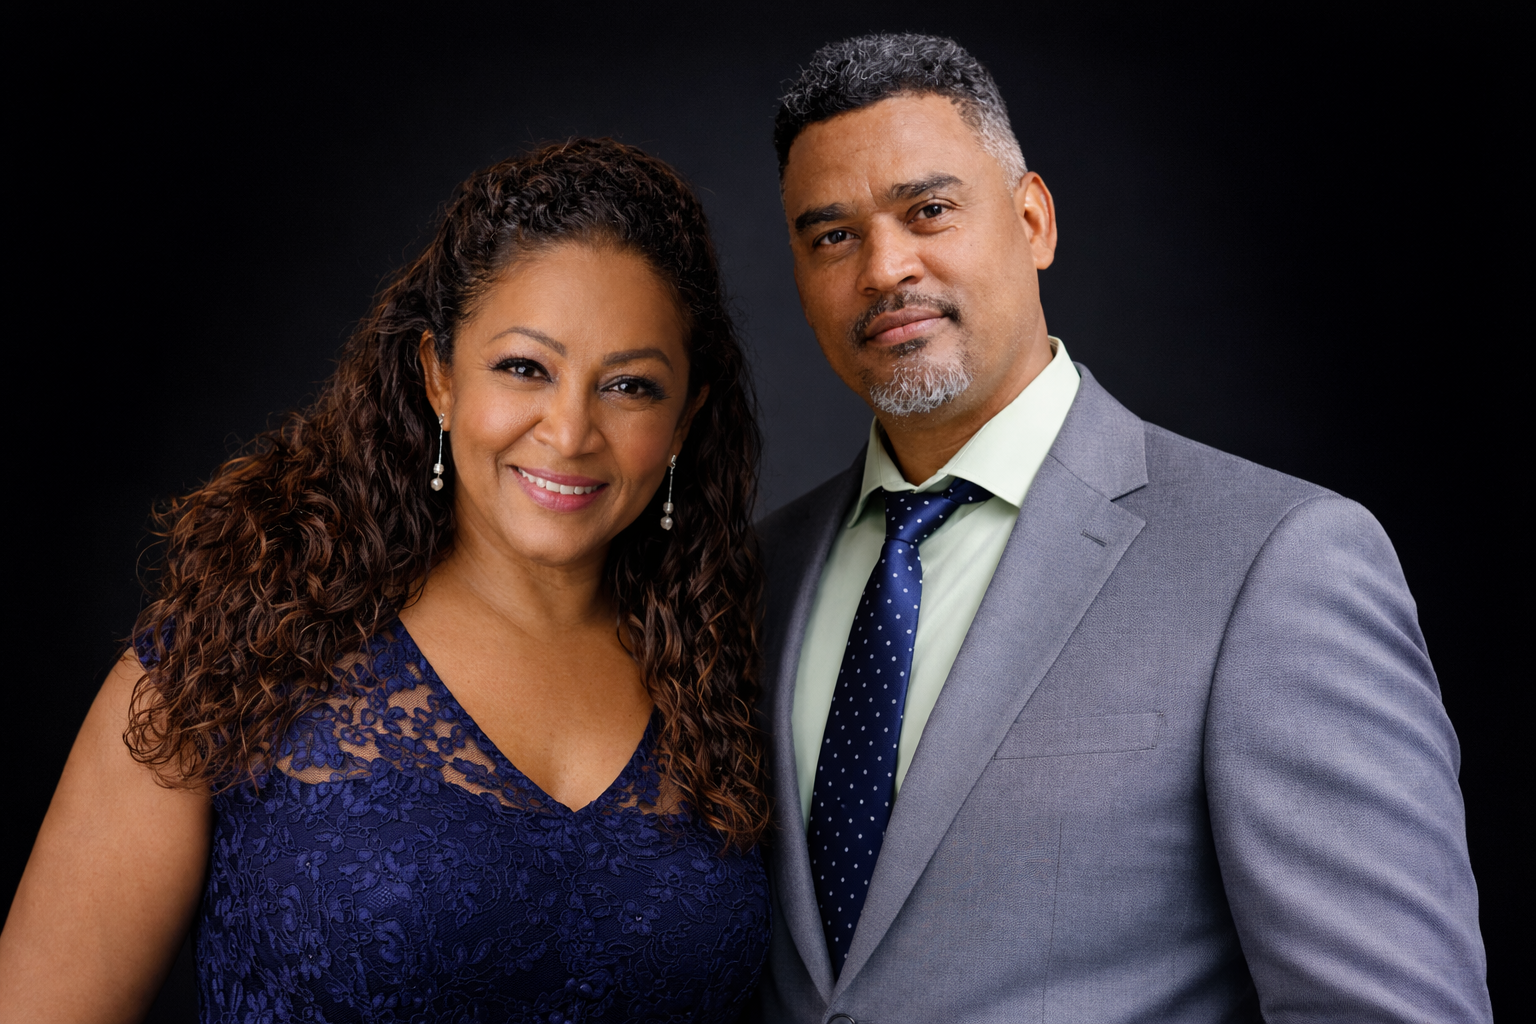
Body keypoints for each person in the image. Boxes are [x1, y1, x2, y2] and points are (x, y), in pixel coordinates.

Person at [752, 33, 1491, 1022]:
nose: (885, 267)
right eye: (832, 236)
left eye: (928, 210)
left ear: (1033, 220)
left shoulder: (1276, 563)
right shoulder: (759, 576)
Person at [0, 139, 772, 1022]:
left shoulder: (735, 671)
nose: (569, 431)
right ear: (439, 377)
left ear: (684, 422)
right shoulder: (234, 656)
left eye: (630, 386)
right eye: (524, 368)